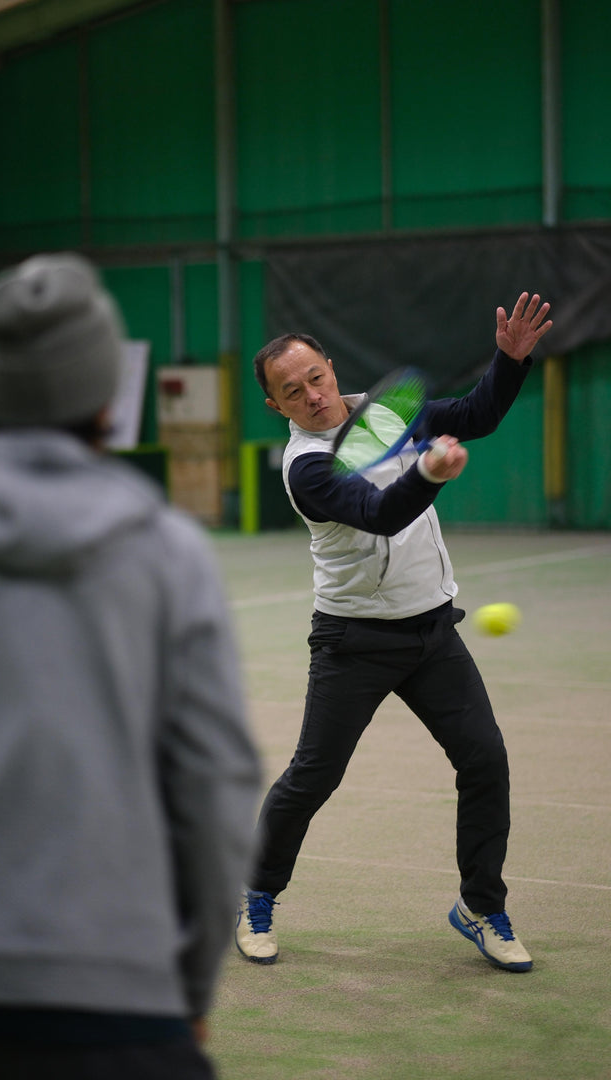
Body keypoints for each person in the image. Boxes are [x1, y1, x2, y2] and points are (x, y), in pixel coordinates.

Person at [0, 253, 260, 1080]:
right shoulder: (169, 556)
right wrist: (186, 991)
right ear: (103, 394)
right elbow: (217, 790)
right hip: (117, 1010)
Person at [235, 291, 552, 973]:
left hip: (433, 633)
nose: (313, 396)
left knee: (484, 761)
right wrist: (429, 473)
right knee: (312, 778)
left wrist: (509, 361)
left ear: (329, 365)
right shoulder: (306, 466)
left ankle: (480, 907)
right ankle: (259, 893)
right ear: (277, 406)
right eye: (292, 392)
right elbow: (379, 514)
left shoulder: (386, 414)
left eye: (315, 377)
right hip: (354, 641)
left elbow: (477, 414)